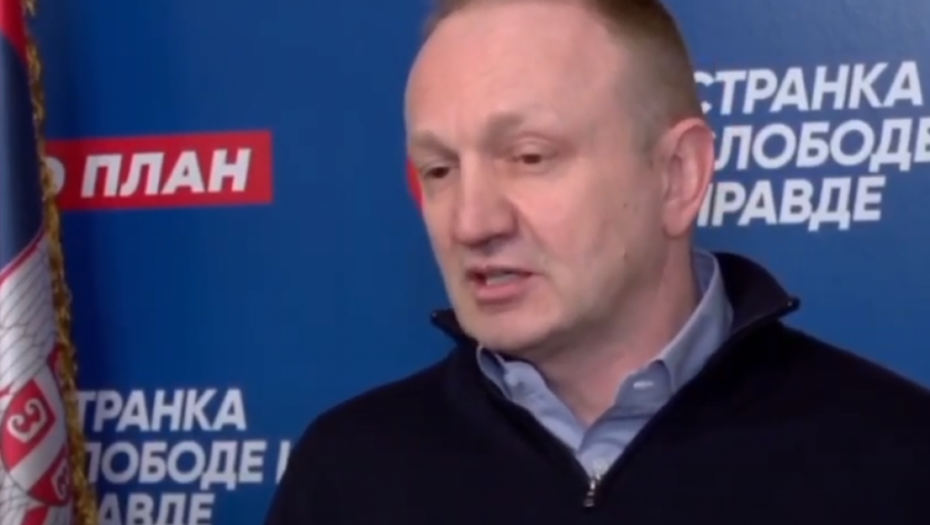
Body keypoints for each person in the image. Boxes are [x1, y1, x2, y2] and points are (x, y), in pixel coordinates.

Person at [263, 0, 930, 523]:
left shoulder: (898, 456)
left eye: (529, 157)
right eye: (439, 170)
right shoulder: (346, 475)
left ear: (677, 175)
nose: (472, 222)